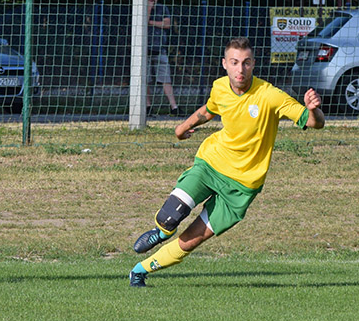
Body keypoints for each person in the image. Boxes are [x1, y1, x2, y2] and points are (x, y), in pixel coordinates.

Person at [129, 37, 325, 287]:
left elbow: (314, 123)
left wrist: (313, 109)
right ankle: (161, 232)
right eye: (234, 62)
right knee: (169, 216)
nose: (240, 69)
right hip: (211, 165)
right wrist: (183, 127)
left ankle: (139, 271)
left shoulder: (270, 96)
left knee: (190, 240)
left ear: (253, 64)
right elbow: (209, 110)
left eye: (246, 63)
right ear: (224, 64)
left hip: (242, 187)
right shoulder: (220, 87)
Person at [146, 0, 181, 116]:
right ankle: (147, 107)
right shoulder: (142, 8)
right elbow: (143, 22)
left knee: (166, 78)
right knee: (145, 79)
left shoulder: (162, 8)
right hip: (145, 50)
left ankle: (174, 107)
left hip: (160, 48)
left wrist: (151, 22)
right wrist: (149, 9)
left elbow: (167, 24)